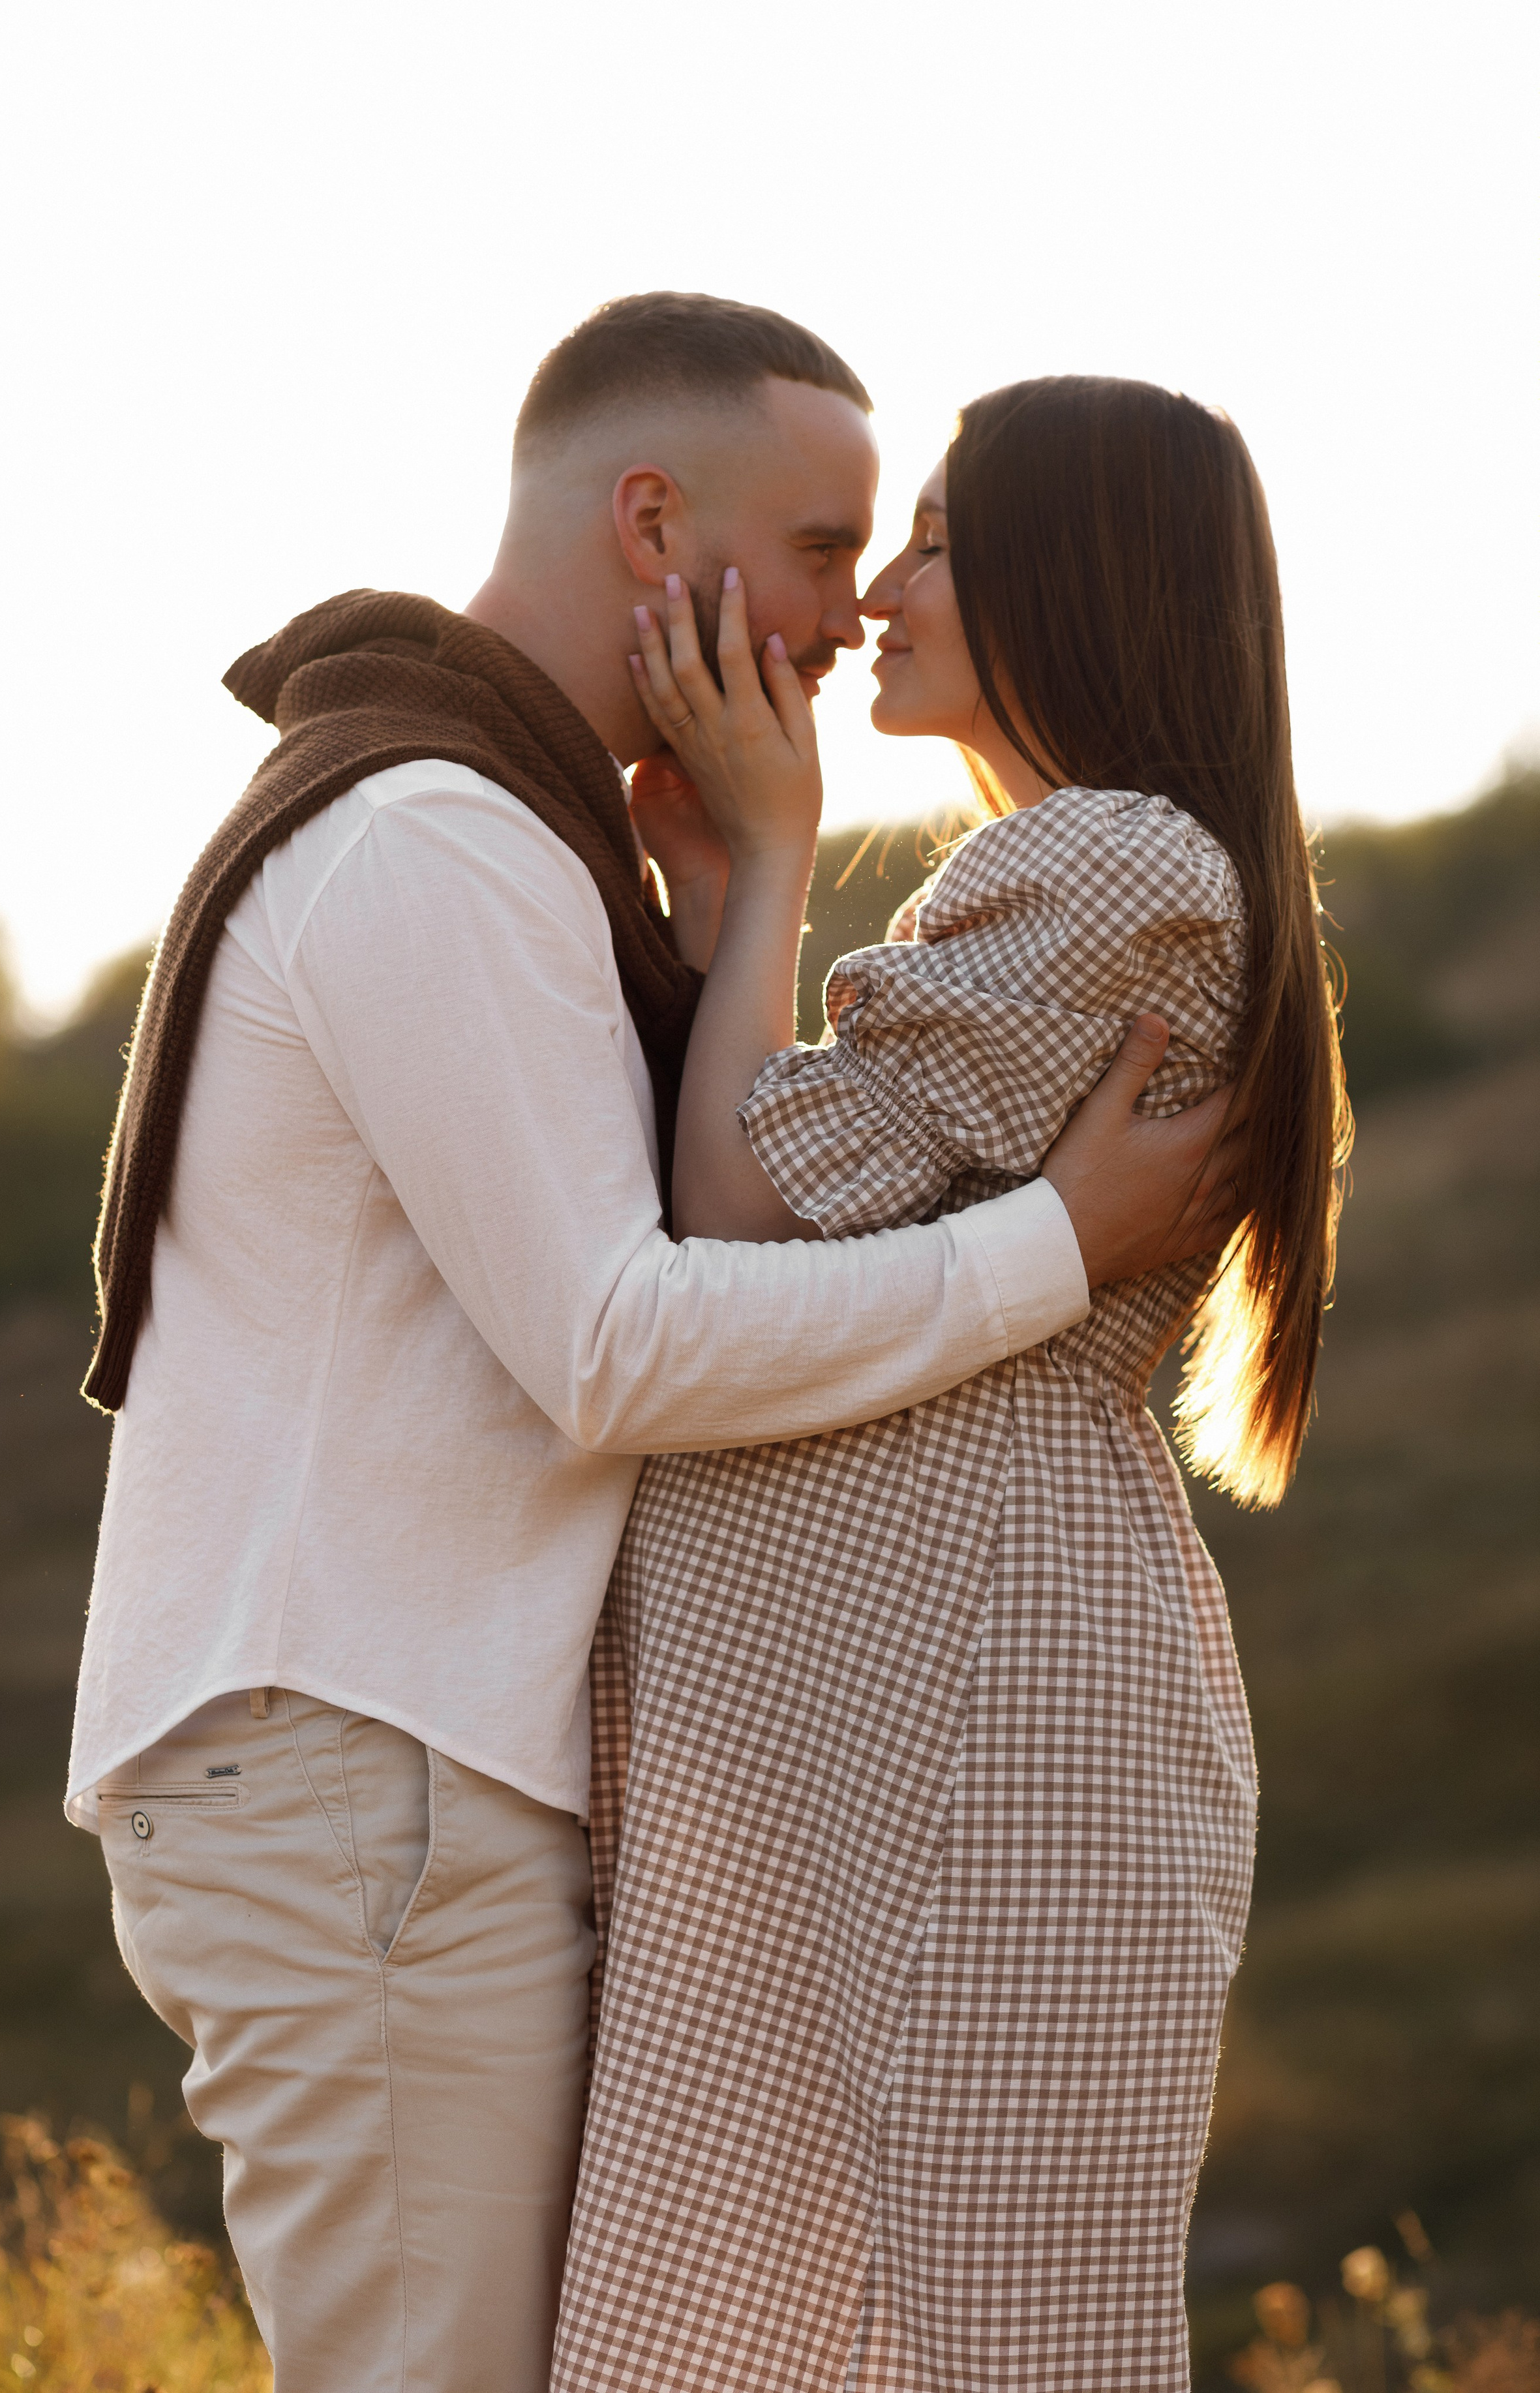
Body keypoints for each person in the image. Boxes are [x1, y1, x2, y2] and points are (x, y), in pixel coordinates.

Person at [63, 300, 1237, 2393]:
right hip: (365, 1764)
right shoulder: (437, 837)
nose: (848, 608)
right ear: (650, 522)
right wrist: (1055, 1247)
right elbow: (617, 1336)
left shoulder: (511, 836)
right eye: (824, 544)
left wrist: (720, 926)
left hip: (402, 1761)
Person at [554, 376, 1348, 2392]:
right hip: (930, 1692)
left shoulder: (1112, 868)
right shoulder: (1086, 875)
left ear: (1067, 576)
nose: (877, 596)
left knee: (929, 2334)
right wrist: (736, 896)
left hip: (970, 1704)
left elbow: (739, 1206)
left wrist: (772, 850)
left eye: (930, 540)